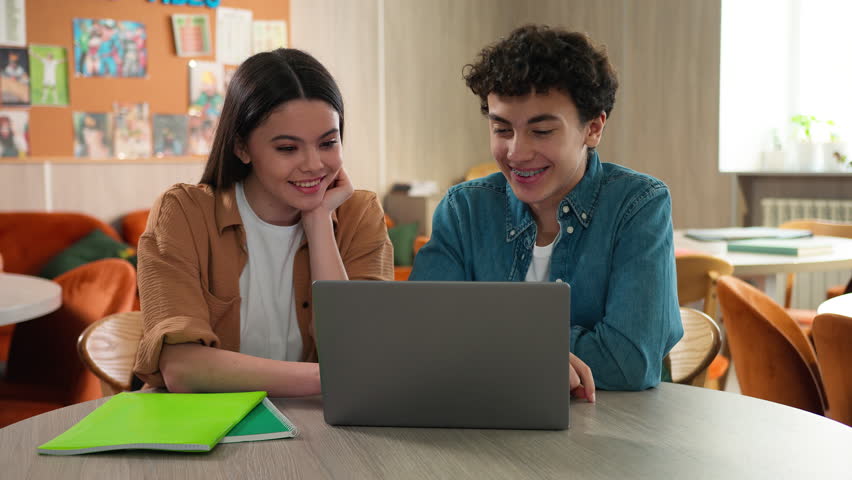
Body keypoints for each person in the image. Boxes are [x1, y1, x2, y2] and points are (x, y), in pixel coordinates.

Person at [410, 25, 682, 397]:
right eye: (502, 129)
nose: (516, 153)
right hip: (488, 422)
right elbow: (422, 339)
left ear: (593, 128)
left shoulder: (637, 205)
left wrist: (485, 344)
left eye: (541, 132)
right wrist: (536, 354)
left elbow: (628, 362)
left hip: (613, 425)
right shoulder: (464, 210)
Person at [132, 49, 394, 396]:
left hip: (318, 424)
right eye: (288, 148)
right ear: (242, 147)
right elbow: (182, 368)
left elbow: (357, 352)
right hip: (210, 421)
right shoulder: (183, 213)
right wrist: (326, 378)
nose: (314, 164)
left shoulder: (359, 214)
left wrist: (318, 222)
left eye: (328, 143)